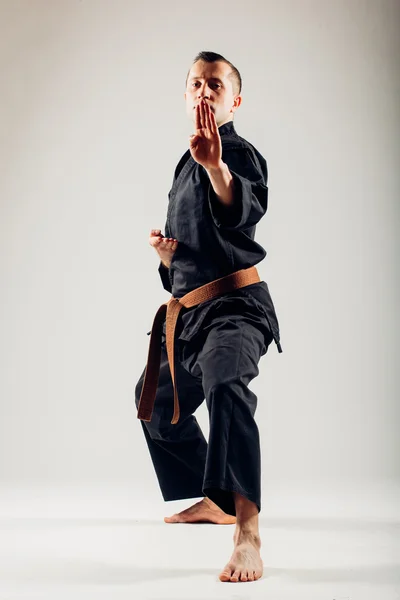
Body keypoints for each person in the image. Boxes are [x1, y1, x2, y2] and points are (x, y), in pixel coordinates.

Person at [135, 50, 282, 583]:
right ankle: (216, 497)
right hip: (191, 315)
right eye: (196, 82)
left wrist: (216, 164)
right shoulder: (183, 163)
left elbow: (240, 208)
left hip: (236, 310)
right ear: (185, 93)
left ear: (233, 100)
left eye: (215, 84)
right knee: (153, 406)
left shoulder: (236, 154)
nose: (204, 90)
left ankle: (248, 530)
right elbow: (198, 254)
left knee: (225, 385)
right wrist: (169, 259)